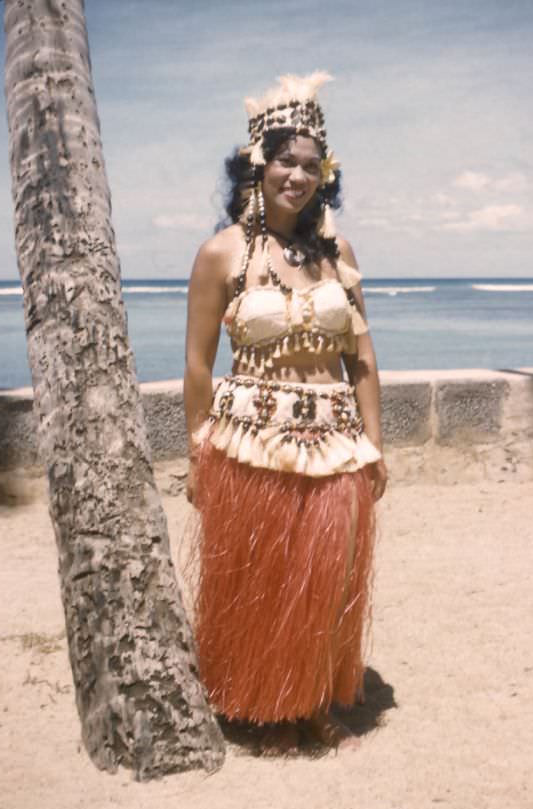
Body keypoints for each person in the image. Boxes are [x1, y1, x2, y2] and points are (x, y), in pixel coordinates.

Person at [183, 71, 388, 754]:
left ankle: (312, 703)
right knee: (264, 580)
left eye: (310, 165)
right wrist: (196, 448)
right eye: (284, 161)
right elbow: (197, 366)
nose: (296, 176)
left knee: (324, 578)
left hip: (334, 438)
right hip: (250, 441)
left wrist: (377, 444)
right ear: (256, 164)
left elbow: (362, 357)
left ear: (323, 174)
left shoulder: (338, 254)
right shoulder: (222, 255)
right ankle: (268, 708)